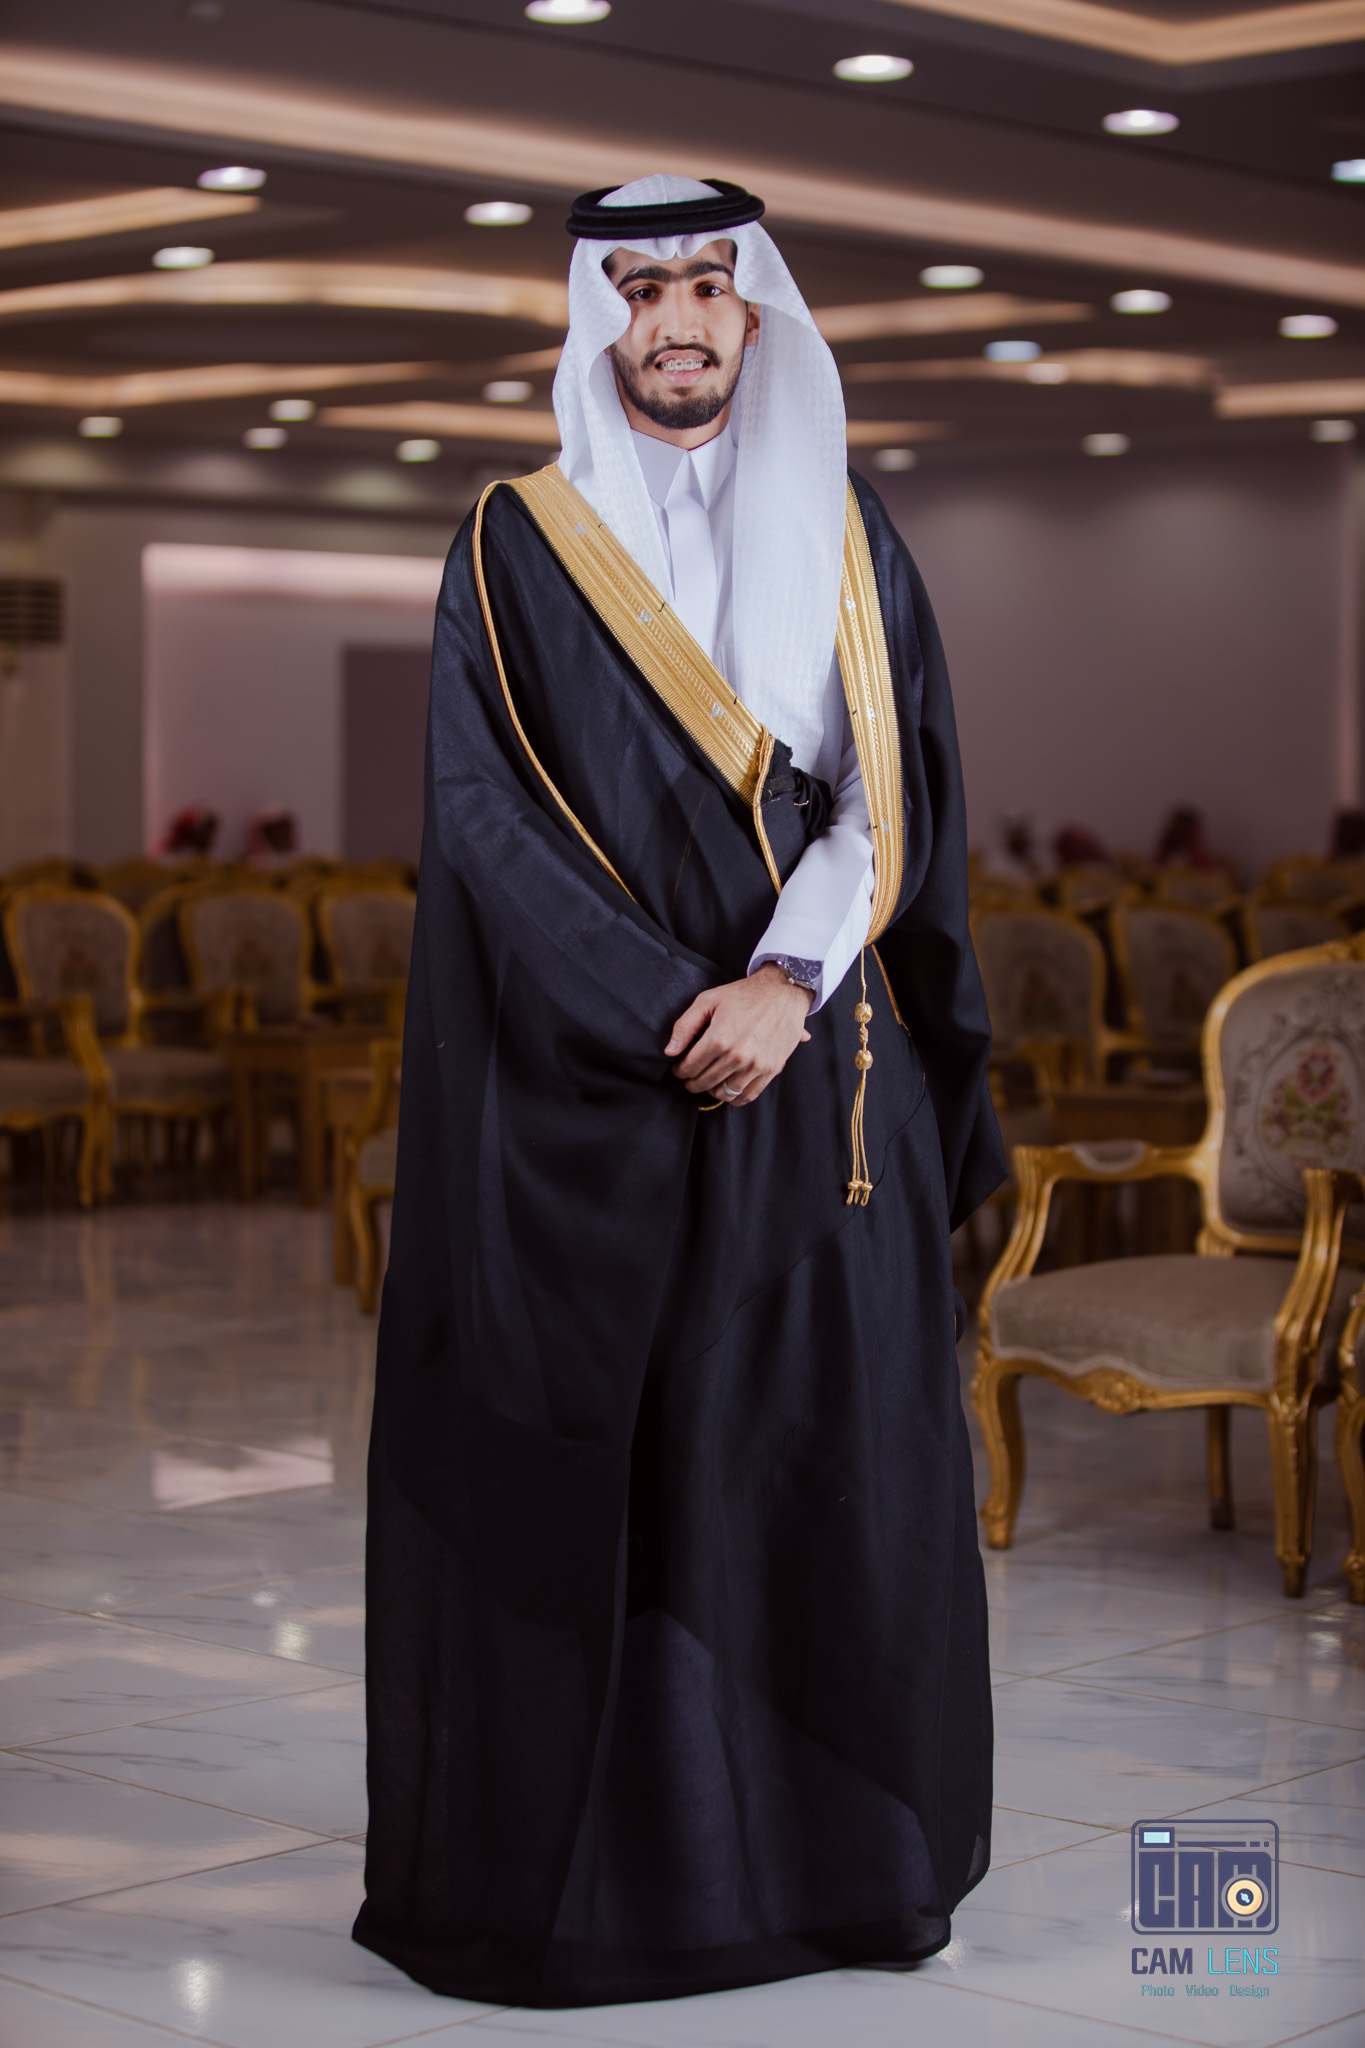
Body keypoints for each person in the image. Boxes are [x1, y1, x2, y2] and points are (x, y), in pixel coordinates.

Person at [353, 174, 1005, 2010]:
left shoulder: (853, 533)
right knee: (618, 1479)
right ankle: (614, 1894)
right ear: (599, 320)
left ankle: (841, 1874)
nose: (678, 323)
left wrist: (783, 986)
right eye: (639, 291)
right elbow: (479, 820)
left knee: (815, 1472)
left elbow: (891, 798)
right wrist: (668, 1008)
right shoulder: (514, 543)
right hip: (596, 1103)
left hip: (817, 1085)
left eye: (708, 286)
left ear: (754, 309)